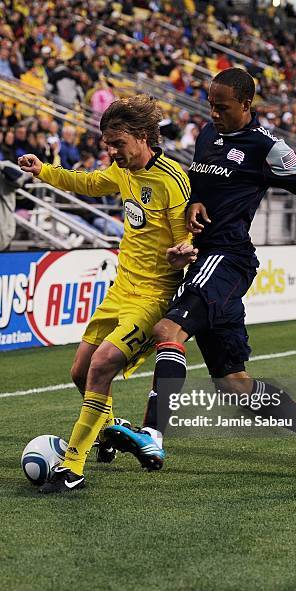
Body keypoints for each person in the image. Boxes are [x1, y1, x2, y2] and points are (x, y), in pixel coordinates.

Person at [104, 69, 296, 481]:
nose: (213, 113)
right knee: (235, 386)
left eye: (222, 106)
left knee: (168, 331)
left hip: (227, 259)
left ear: (246, 104)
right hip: (204, 261)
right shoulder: (208, 137)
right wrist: (192, 202)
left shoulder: (268, 149)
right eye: (210, 104)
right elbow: (197, 183)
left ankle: (154, 434)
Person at [18, 95, 197, 493]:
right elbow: (86, 183)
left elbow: (188, 232)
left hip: (154, 296)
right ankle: (113, 428)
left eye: (118, 144)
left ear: (144, 137)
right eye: (108, 145)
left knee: (101, 366)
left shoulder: (171, 179)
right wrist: (43, 170)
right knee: (79, 372)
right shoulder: (120, 172)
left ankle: (72, 467)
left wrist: (184, 249)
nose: (112, 152)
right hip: (120, 290)